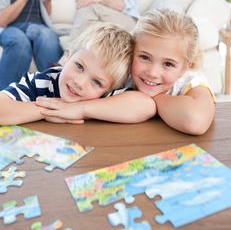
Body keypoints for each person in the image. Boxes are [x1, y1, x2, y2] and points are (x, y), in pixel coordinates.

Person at [36, 9, 215, 135]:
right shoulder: (121, 71)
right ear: (131, 53)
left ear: (185, 67)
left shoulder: (190, 81)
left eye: (168, 64)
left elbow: (195, 121)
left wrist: (152, 99)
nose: (152, 73)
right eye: (144, 57)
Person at [0, 22, 143, 125]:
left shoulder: (105, 96)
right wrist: (54, 110)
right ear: (67, 56)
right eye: (80, 66)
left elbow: (145, 105)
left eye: (97, 82)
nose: (80, 83)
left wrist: (79, 110)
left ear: (109, 89)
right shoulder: (42, 81)